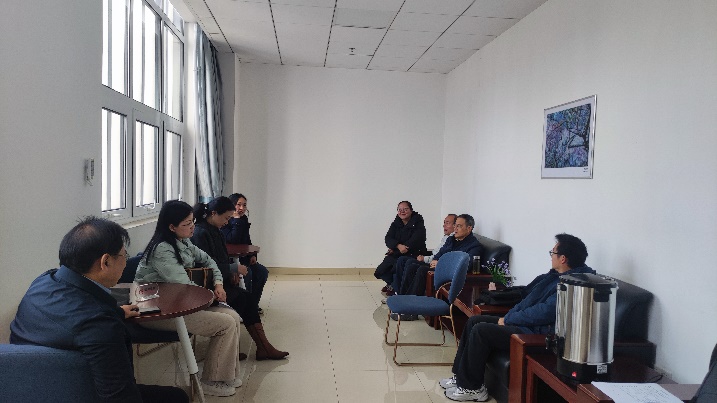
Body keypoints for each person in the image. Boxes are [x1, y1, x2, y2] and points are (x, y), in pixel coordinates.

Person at [10, 217, 189, 403]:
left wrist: (119, 312)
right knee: (177, 397)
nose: (126, 263)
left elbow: (74, 320)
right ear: (106, 262)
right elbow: (120, 398)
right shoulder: (102, 325)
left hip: (28, 387)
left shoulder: (43, 281)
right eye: (124, 256)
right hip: (77, 392)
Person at [441, 233, 595, 402]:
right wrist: (506, 309)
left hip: (538, 334)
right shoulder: (553, 276)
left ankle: (473, 389)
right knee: (474, 321)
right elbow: (526, 295)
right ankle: (460, 377)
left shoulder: (572, 285)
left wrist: (509, 319)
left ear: (563, 258)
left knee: (480, 331)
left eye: (553, 253)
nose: (551, 256)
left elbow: (544, 312)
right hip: (526, 324)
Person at [134, 200, 243, 397]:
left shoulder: (183, 241)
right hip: (156, 310)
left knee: (233, 317)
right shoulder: (162, 249)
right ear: (172, 227)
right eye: (187, 223)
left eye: (193, 221)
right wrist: (212, 297)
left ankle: (226, 374)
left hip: (178, 302)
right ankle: (212, 381)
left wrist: (218, 284)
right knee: (225, 323)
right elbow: (185, 286)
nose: (193, 226)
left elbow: (209, 261)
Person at [192, 197, 288, 360]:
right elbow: (205, 267)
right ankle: (260, 348)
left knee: (248, 298)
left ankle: (263, 347)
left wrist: (231, 272)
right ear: (214, 213)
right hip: (205, 286)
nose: (227, 222)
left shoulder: (215, 230)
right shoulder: (200, 233)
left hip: (218, 281)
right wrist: (233, 269)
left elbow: (222, 259)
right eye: (226, 218)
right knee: (245, 300)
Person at [388, 214, 482, 320]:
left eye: (459, 226)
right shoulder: (451, 239)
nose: (455, 229)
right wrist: (435, 260)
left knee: (422, 270)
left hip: (449, 274)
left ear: (469, 228)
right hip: (438, 267)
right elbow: (440, 253)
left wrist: (441, 263)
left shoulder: (474, 246)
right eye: (455, 225)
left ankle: (411, 312)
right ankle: (403, 300)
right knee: (411, 266)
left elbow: (465, 266)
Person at [221, 193, 269, 312]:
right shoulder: (225, 221)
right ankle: (245, 308)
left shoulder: (243, 219)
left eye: (244, 205)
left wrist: (252, 255)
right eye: (238, 205)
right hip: (230, 260)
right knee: (248, 273)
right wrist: (236, 220)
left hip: (243, 257)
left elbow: (247, 240)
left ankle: (253, 304)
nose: (242, 208)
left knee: (262, 272)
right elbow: (233, 239)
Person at [374, 201, 427, 294]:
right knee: (380, 271)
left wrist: (395, 249)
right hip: (397, 252)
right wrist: (397, 246)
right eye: (400, 209)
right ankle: (391, 284)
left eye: (405, 209)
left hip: (413, 254)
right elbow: (388, 238)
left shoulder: (418, 223)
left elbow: (414, 241)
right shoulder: (396, 223)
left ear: (411, 210)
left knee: (396, 268)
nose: (402, 212)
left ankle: (396, 288)